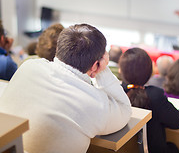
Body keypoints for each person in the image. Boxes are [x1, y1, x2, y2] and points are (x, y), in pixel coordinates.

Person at [0, 23, 132, 153]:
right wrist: (102, 70)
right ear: (95, 66)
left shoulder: (29, 67)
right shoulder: (94, 103)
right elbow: (125, 109)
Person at [120, 47, 179, 153]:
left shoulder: (118, 93)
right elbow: (177, 122)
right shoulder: (155, 95)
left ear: (121, 70)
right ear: (150, 71)